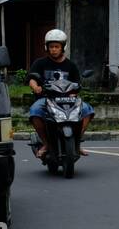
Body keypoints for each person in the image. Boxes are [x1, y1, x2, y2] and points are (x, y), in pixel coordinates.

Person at [27, 29, 94, 159]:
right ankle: (46, 144)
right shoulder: (40, 63)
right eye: (51, 47)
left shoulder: (71, 65)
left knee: (87, 111)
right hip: (47, 99)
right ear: (47, 47)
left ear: (63, 47)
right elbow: (32, 79)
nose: (54, 49)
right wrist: (36, 87)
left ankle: (76, 143)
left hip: (67, 100)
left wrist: (74, 93)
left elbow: (76, 83)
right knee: (34, 111)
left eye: (57, 47)